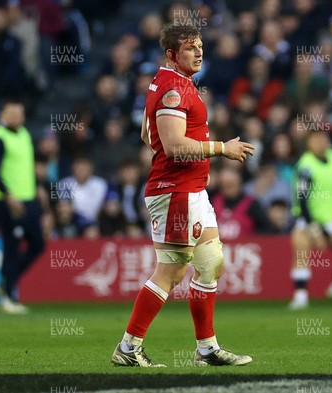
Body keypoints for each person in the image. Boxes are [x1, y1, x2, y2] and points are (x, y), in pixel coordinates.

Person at [111, 23, 255, 367]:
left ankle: (207, 349)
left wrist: (167, 150)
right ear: (172, 55)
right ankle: (128, 347)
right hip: (175, 191)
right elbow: (174, 146)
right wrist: (223, 148)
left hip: (191, 190)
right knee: (172, 272)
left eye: (201, 46)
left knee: (210, 265)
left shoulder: (170, 83)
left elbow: (149, 135)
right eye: (191, 48)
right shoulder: (173, 89)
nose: (199, 52)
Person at [289, 131, 332, 310]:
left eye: (323, 139)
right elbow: (302, 198)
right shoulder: (305, 165)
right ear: (309, 144)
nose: (321, 142)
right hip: (308, 218)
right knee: (301, 250)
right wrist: (313, 228)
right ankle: (300, 296)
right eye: (316, 139)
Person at [0, 99, 45, 314]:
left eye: (21, 113)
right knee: (11, 246)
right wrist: (8, 194)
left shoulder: (23, 134)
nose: (19, 117)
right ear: (3, 114)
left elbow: (24, 166)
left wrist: (37, 187)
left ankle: (5, 283)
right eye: (14, 113)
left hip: (27, 198)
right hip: (7, 201)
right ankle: (9, 297)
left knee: (38, 244)